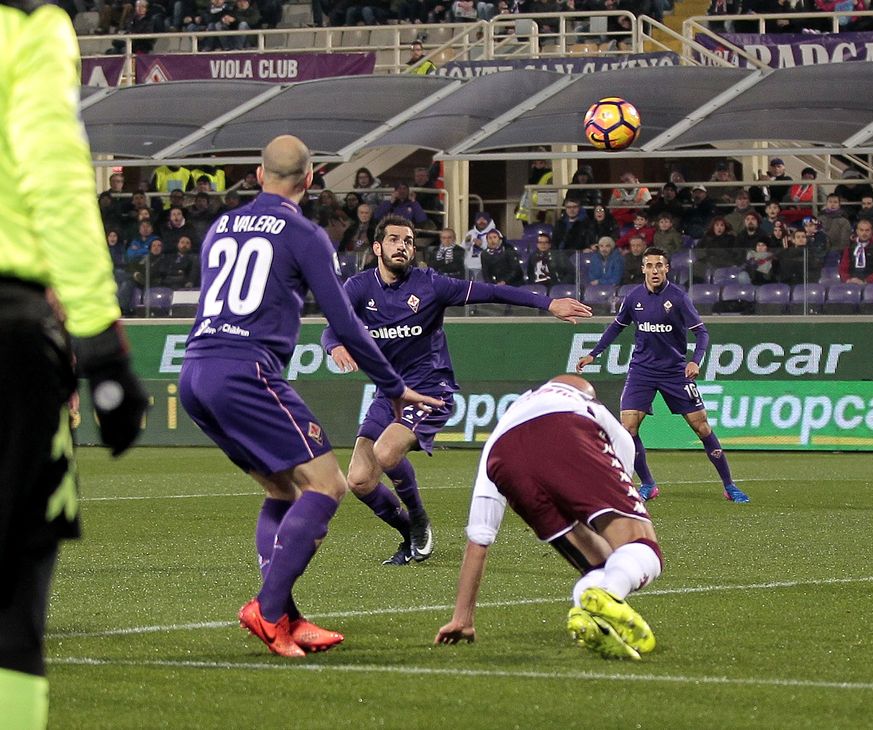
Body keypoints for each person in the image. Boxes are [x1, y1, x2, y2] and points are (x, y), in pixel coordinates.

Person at [178, 136, 442, 658]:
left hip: (196, 372)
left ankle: (288, 618)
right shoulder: (304, 234)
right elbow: (344, 322)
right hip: (247, 372)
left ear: (258, 175)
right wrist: (393, 386)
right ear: (310, 177)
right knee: (327, 486)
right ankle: (269, 609)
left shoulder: (218, 228)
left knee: (283, 491)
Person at [1, 3, 149, 725]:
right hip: (7, 328)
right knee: (12, 610)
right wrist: (100, 347)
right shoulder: (27, 25)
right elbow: (55, 181)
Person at [323, 216, 591, 565]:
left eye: (408, 240)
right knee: (358, 480)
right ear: (377, 248)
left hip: (431, 389)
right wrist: (335, 347)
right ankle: (409, 534)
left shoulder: (431, 285)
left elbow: (493, 291)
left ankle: (419, 520)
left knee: (388, 452)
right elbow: (333, 329)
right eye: (393, 240)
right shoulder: (359, 288)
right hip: (389, 394)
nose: (402, 246)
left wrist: (548, 303)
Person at [435, 375, 662, 661]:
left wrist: (462, 619)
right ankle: (609, 595)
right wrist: (622, 506)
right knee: (642, 546)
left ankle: (593, 613)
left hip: (506, 462)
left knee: (600, 565)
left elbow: (479, 539)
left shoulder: (498, 436)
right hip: (566, 426)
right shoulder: (581, 401)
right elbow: (624, 448)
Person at [576, 247, 750, 505]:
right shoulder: (633, 297)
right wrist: (594, 354)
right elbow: (616, 327)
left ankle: (729, 485)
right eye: (649, 265)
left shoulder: (678, 298)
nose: (654, 270)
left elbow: (702, 333)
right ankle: (647, 484)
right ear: (643, 269)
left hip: (674, 371)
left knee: (701, 426)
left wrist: (694, 361)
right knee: (629, 427)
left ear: (667, 268)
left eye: (659, 266)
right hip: (642, 371)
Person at [839, 220, 873, 285]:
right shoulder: (849, 247)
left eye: (867, 230)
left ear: (872, 231)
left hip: (872, 284)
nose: (864, 233)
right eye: (861, 230)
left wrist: (866, 281)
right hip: (851, 282)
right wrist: (848, 279)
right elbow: (843, 268)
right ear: (857, 231)